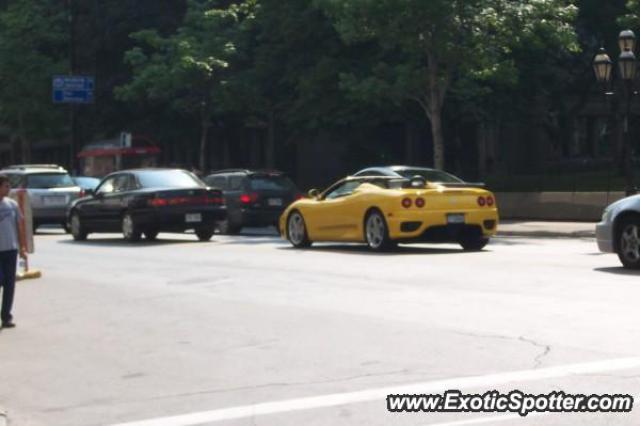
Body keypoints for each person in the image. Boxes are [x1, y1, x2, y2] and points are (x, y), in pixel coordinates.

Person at [0, 174, 27, 329]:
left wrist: (22, 248)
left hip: (10, 249)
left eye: (9, 186)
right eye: (5, 186)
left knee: (9, 284)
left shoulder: (12, 205)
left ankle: (6, 317)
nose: (8, 189)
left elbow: (20, 227)